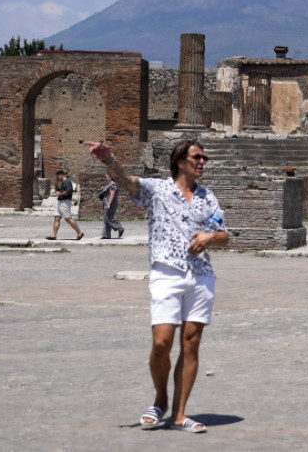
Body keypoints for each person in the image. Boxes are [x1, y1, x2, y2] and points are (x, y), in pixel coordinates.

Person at [84, 138, 228, 434]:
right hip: (166, 272)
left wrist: (209, 238)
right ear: (180, 161)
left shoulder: (207, 197)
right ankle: (161, 398)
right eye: (197, 157)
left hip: (201, 276)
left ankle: (179, 415)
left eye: (204, 159)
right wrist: (108, 159)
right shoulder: (158, 190)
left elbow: (224, 234)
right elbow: (125, 180)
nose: (202, 162)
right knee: (162, 342)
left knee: (192, 343)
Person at [47, 169, 84, 241]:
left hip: (65, 202)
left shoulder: (67, 182)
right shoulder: (63, 182)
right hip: (61, 202)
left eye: (58, 177)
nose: (58, 179)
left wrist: (60, 193)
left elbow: (68, 191)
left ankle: (80, 232)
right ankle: (53, 235)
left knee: (68, 219)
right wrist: (55, 184)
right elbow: (57, 191)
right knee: (57, 218)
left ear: (61, 175)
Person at [99, 174, 124, 239]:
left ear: (110, 178)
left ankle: (119, 227)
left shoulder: (113, 185)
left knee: (108, 218)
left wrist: (109, 204)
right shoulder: (110, 185)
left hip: (110, 204)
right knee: (106, 218)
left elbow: (112, 195)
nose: (105, 178)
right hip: (106, 203)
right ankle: (106, 235)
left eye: (106, 177)